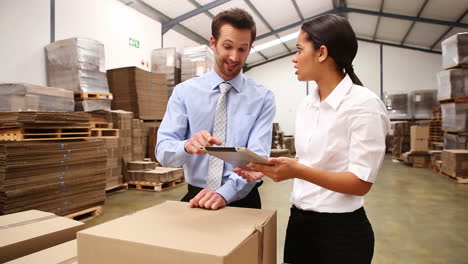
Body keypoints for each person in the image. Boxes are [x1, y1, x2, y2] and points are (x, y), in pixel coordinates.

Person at [235, 14, 390, 264]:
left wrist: (297, 171)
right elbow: (310, 160)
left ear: (322, 53)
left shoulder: (364, 105)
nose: (294, 58)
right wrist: (267, 170)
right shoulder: (308, 104)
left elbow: (360, 182)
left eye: (299, 50)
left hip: (340, 235)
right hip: (300, 225)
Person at [156, 8, 276, 211]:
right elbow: (163, 151)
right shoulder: (184, 92)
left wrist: (224, 193)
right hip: (197, 196)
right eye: (227, 46)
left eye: (242, 49)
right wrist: (187, 145)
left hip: (243, 200)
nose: (234, 57)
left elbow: (257, 158)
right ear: (213, 43)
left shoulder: (262, 97)